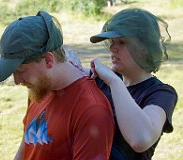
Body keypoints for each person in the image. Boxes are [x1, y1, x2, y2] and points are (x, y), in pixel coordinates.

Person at [0, 11, 115, 160]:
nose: (17, 80)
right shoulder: (39, 89)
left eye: (20, 70)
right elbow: (26, 148)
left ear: (48, 60)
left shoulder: (91, 110)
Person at [68, 8, 178, 160]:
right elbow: (67, 72)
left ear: (146, 49)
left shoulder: (161, 93)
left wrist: (114, 82)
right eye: (112, 42)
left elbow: (141, 139)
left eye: (122, 42)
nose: (113, 48)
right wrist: (68, 61)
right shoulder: (103, 80)